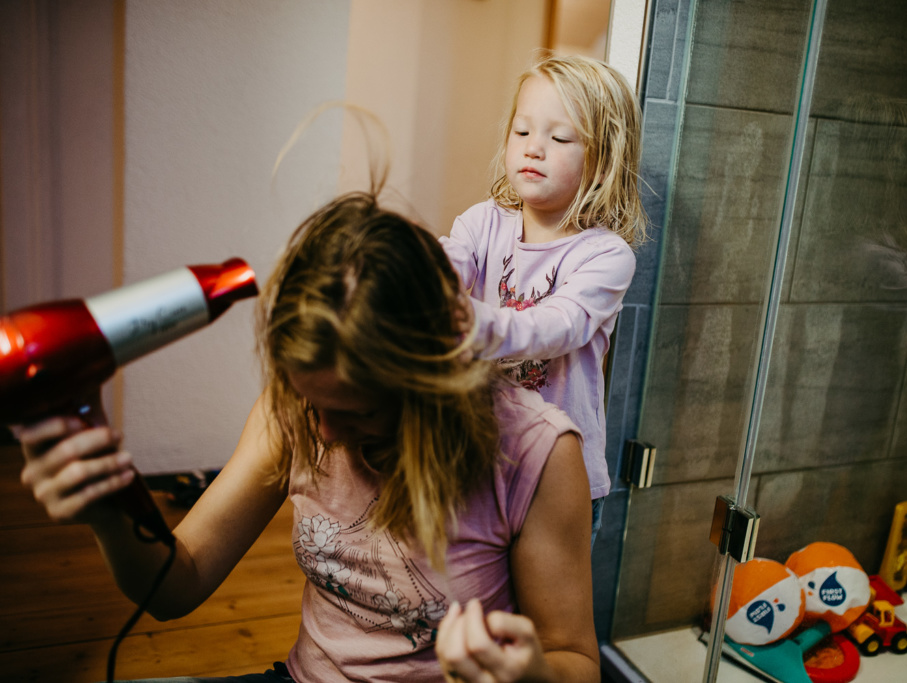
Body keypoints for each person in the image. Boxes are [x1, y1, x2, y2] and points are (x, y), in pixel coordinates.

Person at [17, 191, 599, 682]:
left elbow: (577, 660)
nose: (321, 431)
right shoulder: (294, 411)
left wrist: (532, 677)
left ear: (431, 377)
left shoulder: (536, 454)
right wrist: (109, 513)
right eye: (310, 402)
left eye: (358, 412)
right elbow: (177, 585)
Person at [440, 54, 648, 544]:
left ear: (601, 165)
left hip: (561, 479)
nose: (534, 148)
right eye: (522, 132)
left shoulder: (605, 255)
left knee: (545, 617)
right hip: (480, 456)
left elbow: (556, 328)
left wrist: (465, 322)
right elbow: (445, 265)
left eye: (558, 138)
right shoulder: (482, 221)